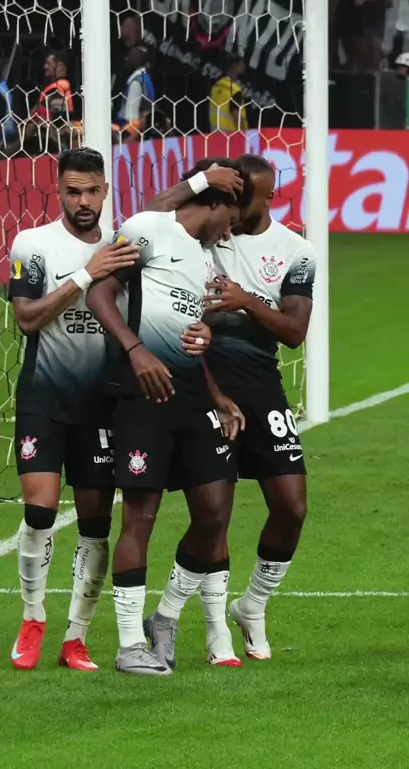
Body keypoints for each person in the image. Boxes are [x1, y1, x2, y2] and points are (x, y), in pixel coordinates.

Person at [145, 155, 315, 663]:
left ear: (269, 197)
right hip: (204, 381)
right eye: (231, 196)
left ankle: (253, 606)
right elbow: (153, 214)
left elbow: (294, 332)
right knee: (214, 514)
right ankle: (209, 626)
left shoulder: (295, 251)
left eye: (246, 198)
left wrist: (247, 301)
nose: (235, 207)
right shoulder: (204, 233)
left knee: (292, 506)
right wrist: (200, 183)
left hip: (262, 386)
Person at [86, 182, 244, 676]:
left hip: (193, 397)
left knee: (214, 515)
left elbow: (190, 333)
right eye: (231, 219)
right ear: (214, 203)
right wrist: (136, 350)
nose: (230, 231)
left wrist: (214, 384)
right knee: (140, 516)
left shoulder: (207, 262)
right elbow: (99, 293)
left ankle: (166, 615)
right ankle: (129, 645)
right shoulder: (149, 229)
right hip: (142, 396)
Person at [7, 147, 140, 672]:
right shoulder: (33, 244)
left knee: (95, 525)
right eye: (72, 192)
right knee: (39, 511)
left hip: (103, 407)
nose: (83, 201)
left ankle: (75, 638)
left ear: (105, 191)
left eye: (91, 191)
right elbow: (26, 319)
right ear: (58, 192)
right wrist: (85, 275)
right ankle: (33, 618)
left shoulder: (127, 248)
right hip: (43, 398)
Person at [112, 45, 155, 143]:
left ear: (139, 61)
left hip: (129, 132)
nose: (126, 59)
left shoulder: (136, 83)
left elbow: (131, 118)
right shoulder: (146, 79)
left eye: (130, 57)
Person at [209, 54, 248, 134]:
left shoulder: (216, 87)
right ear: (234, 66)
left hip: (215, 135)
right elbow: (236, 115)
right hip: (231, 136)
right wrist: (245, 134)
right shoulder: (234, 90)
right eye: (241, 64)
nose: (244, 66)